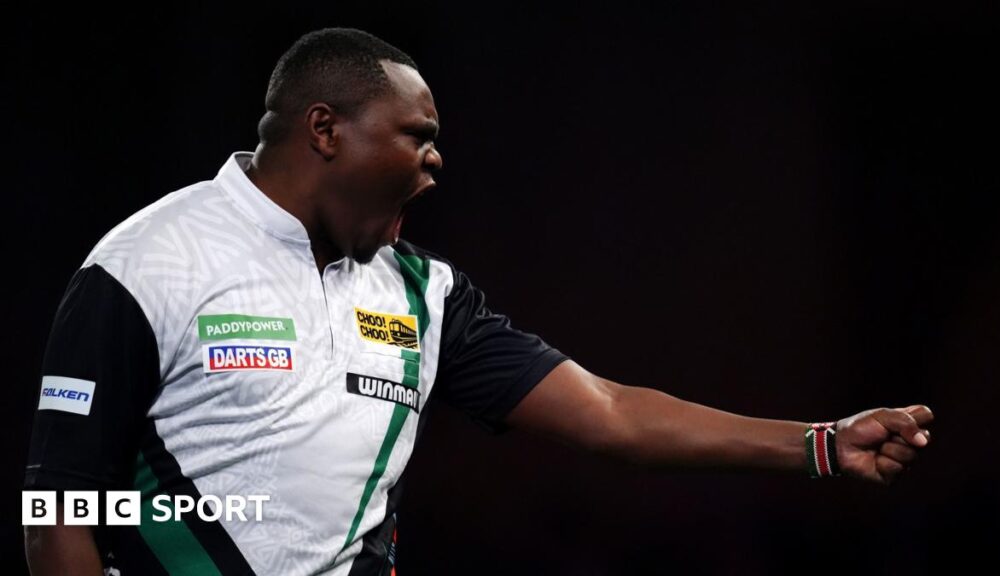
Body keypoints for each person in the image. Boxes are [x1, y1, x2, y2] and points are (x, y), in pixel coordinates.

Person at [23, 27, 934, 576]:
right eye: (417, 134)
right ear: (325, 129)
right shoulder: (148, 264)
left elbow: (612, 413)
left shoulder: (424, 295)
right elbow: (57, 510)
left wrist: (818, 443)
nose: (436, 159)